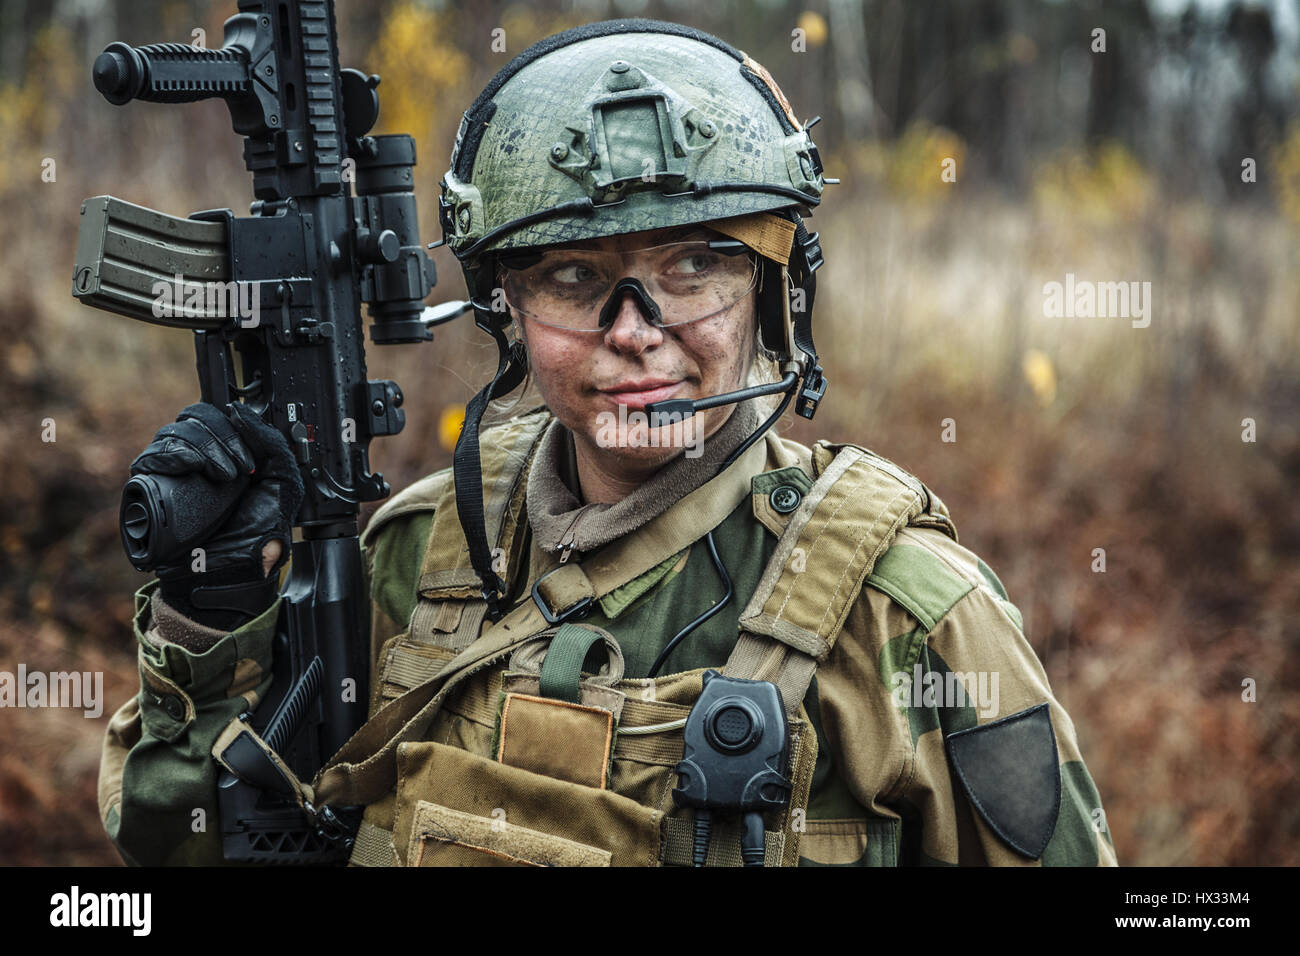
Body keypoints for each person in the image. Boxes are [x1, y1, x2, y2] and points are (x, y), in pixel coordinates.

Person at [98, 18, 1118, 867]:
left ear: (770, 297)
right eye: (574, 278)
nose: (634, 330)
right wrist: (210, 607)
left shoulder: (910, 615)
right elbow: (179, 838)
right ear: (507, 311)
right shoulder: (417, 556)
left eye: (692, 267)